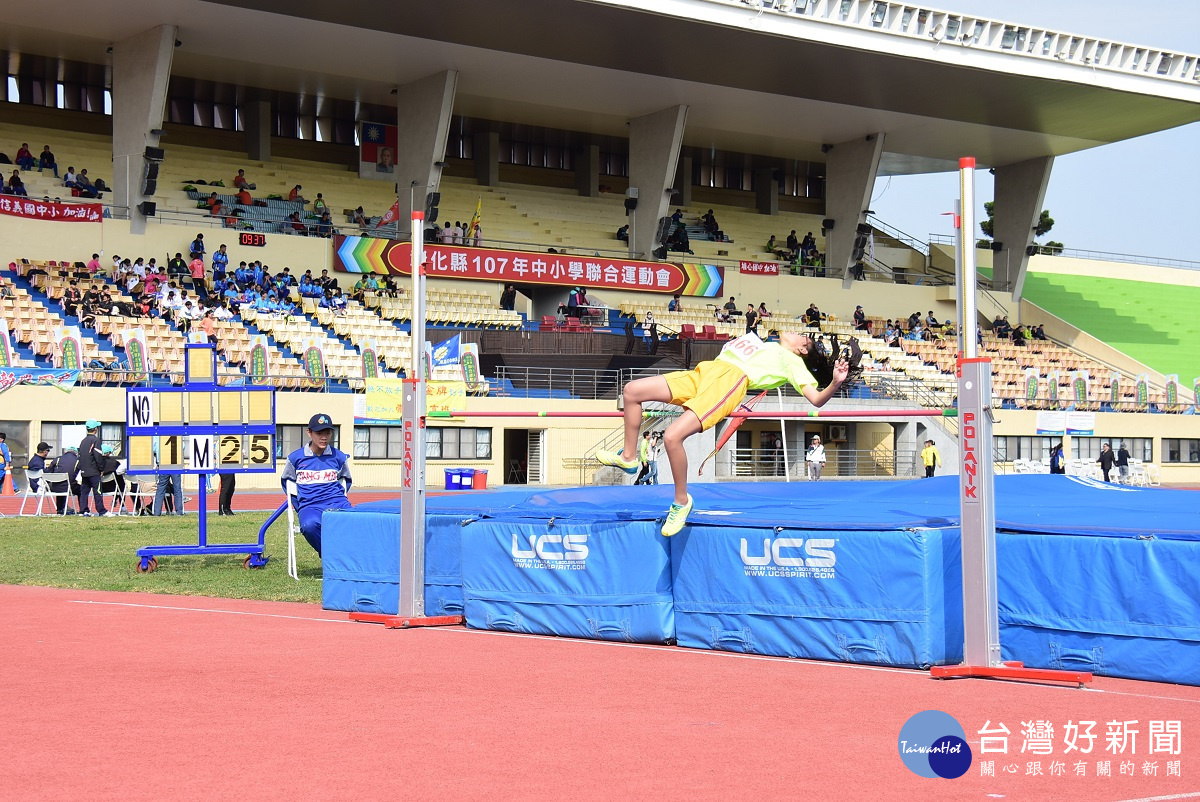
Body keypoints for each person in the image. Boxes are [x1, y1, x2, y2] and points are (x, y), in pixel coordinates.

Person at [596, 330, 848, 536]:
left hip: (729, 381)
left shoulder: (792, 361)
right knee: (631, 391)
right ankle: (629, 458)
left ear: (802, 349)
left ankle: (681, 502)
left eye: (802, 335)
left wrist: (835, 382)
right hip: (706, 371)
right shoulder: (761, 343)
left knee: (672, 436)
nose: (793, 331)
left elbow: (815, 399)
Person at [280, 413, 353, 557]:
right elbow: (287, 483)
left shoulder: (339, 457)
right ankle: (331, 557)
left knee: (358, 522)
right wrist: (301, 505)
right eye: (319, 433)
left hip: (338, 503)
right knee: (308, 526)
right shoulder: (295, 458)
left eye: (328, 433)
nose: (324, 437)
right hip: (310, 506)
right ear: (309, 432)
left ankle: (357, 562)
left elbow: (346, 481)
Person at [76, 420, 110, 516]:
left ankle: (84, 510)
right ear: (95, 429)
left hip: (84, 471)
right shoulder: (96, 440)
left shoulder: (83, 441)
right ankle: (101, 510)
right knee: (97, 491)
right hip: (93, 471)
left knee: (84, 492)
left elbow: (81, 456)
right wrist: (101, 468)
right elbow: (98, 456)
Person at [47, 446, 81, 514]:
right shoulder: (77, 460)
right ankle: (83, 509)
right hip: (71, 487)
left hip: (56, 487)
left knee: (59, 484)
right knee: (82, 490)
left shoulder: (57, 459)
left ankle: (60, 509)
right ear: (76, 453)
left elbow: (48, 471)